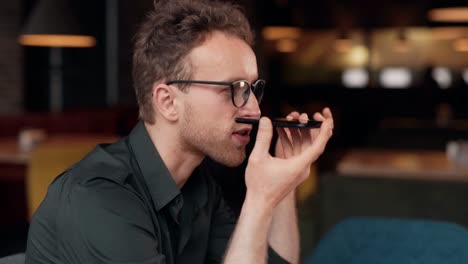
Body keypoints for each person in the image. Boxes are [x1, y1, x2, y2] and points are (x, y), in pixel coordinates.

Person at [25, 0, 334, 263]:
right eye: (236, 88)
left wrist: (282, 187)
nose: (254, 109)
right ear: (168, 101)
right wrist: (260, 198)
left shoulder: (200, 188)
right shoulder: (98, 199)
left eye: (254, 88)